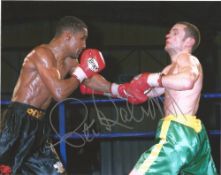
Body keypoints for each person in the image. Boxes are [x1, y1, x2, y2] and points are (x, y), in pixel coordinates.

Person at [0, 16, 110, 175]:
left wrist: (118, 89)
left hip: (39, 127)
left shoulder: (70, 62)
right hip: (18, 121)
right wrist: (81, 72)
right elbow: (60, 93)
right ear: (68, 36)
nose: (84, 45)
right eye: (82, 39)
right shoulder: (42, 53)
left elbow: (89, 80)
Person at [127, 22, 218, 175]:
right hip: (191, 134)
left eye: (175, 33)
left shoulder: (188, 59)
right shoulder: (169, 70)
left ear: (189, 41)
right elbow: (151, 91)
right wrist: (120, 88)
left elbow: (186, 81)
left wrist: (151, 78)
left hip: (179, 131)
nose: (168, 35)